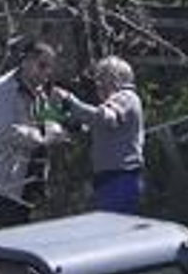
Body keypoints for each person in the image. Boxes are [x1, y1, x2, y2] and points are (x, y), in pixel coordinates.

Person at [0, 40, 68, 232]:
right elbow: (5, 131)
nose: (46, 73)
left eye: (49, 68)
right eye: (41, 65)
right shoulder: (2, 88)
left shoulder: (40, 93)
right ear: (25, 61)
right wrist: (44, 136)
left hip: (24, 190)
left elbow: (51, 124)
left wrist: (56, 117)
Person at [54, 55, 145, 215]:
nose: (98, 85)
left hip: (120, 178)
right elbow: (92, 125)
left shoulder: (125, 97)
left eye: (102, 78)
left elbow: (105, 119)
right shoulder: (120, 101)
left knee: (114, 231)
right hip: (114, 179)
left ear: (115, 78)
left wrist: (70, 101)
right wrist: (67, 121)